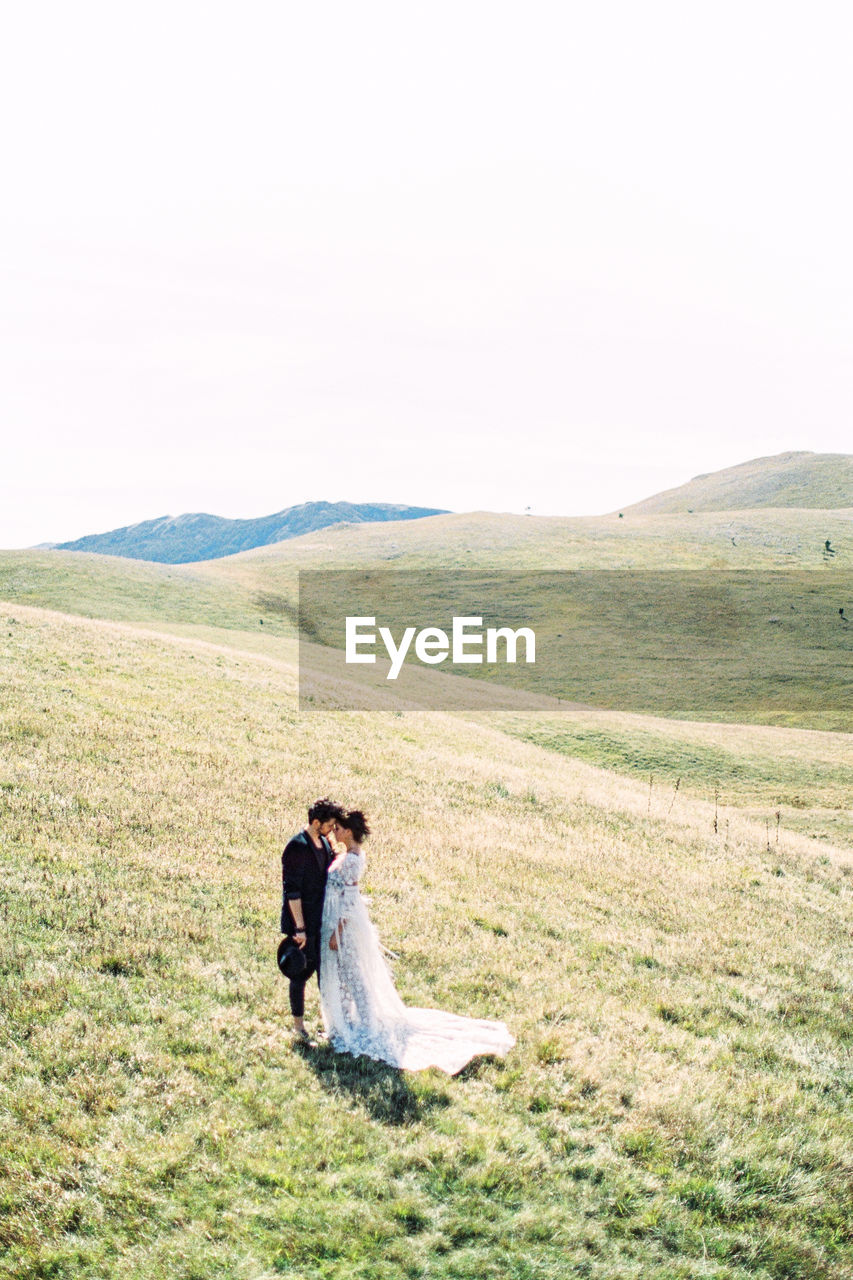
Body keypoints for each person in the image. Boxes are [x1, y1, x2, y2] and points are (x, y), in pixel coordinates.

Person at [319, 810, 515, 1074]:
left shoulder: (352, 861)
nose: (335, 832)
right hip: (338, 923)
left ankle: (364, 1024)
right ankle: (347, 1020)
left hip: (345, 927)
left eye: (339, 828)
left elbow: (349, 900)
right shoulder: (347, 855)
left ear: (349, 831)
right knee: (346, 973)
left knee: (353, 975)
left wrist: (338, 931)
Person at [281, 797, 344, 1041]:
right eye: (328, 825)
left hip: (321, 920)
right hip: (302, 923)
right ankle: (298, 1027)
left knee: (322, 972)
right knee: (300, 973)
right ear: (316, 822)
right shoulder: (297, 846)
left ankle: (330, 1025)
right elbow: (292, 891)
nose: (331, 830)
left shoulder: (324, 844)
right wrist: (299, 928)